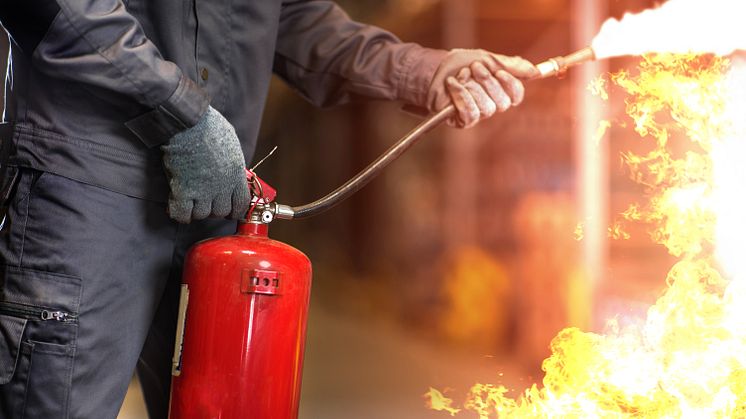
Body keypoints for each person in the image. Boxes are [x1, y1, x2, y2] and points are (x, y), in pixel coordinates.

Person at [0, 1, 538, 418]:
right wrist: (177, 112)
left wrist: (424, 71)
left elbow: (297, 18)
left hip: (215, 202)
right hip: (87, 188)